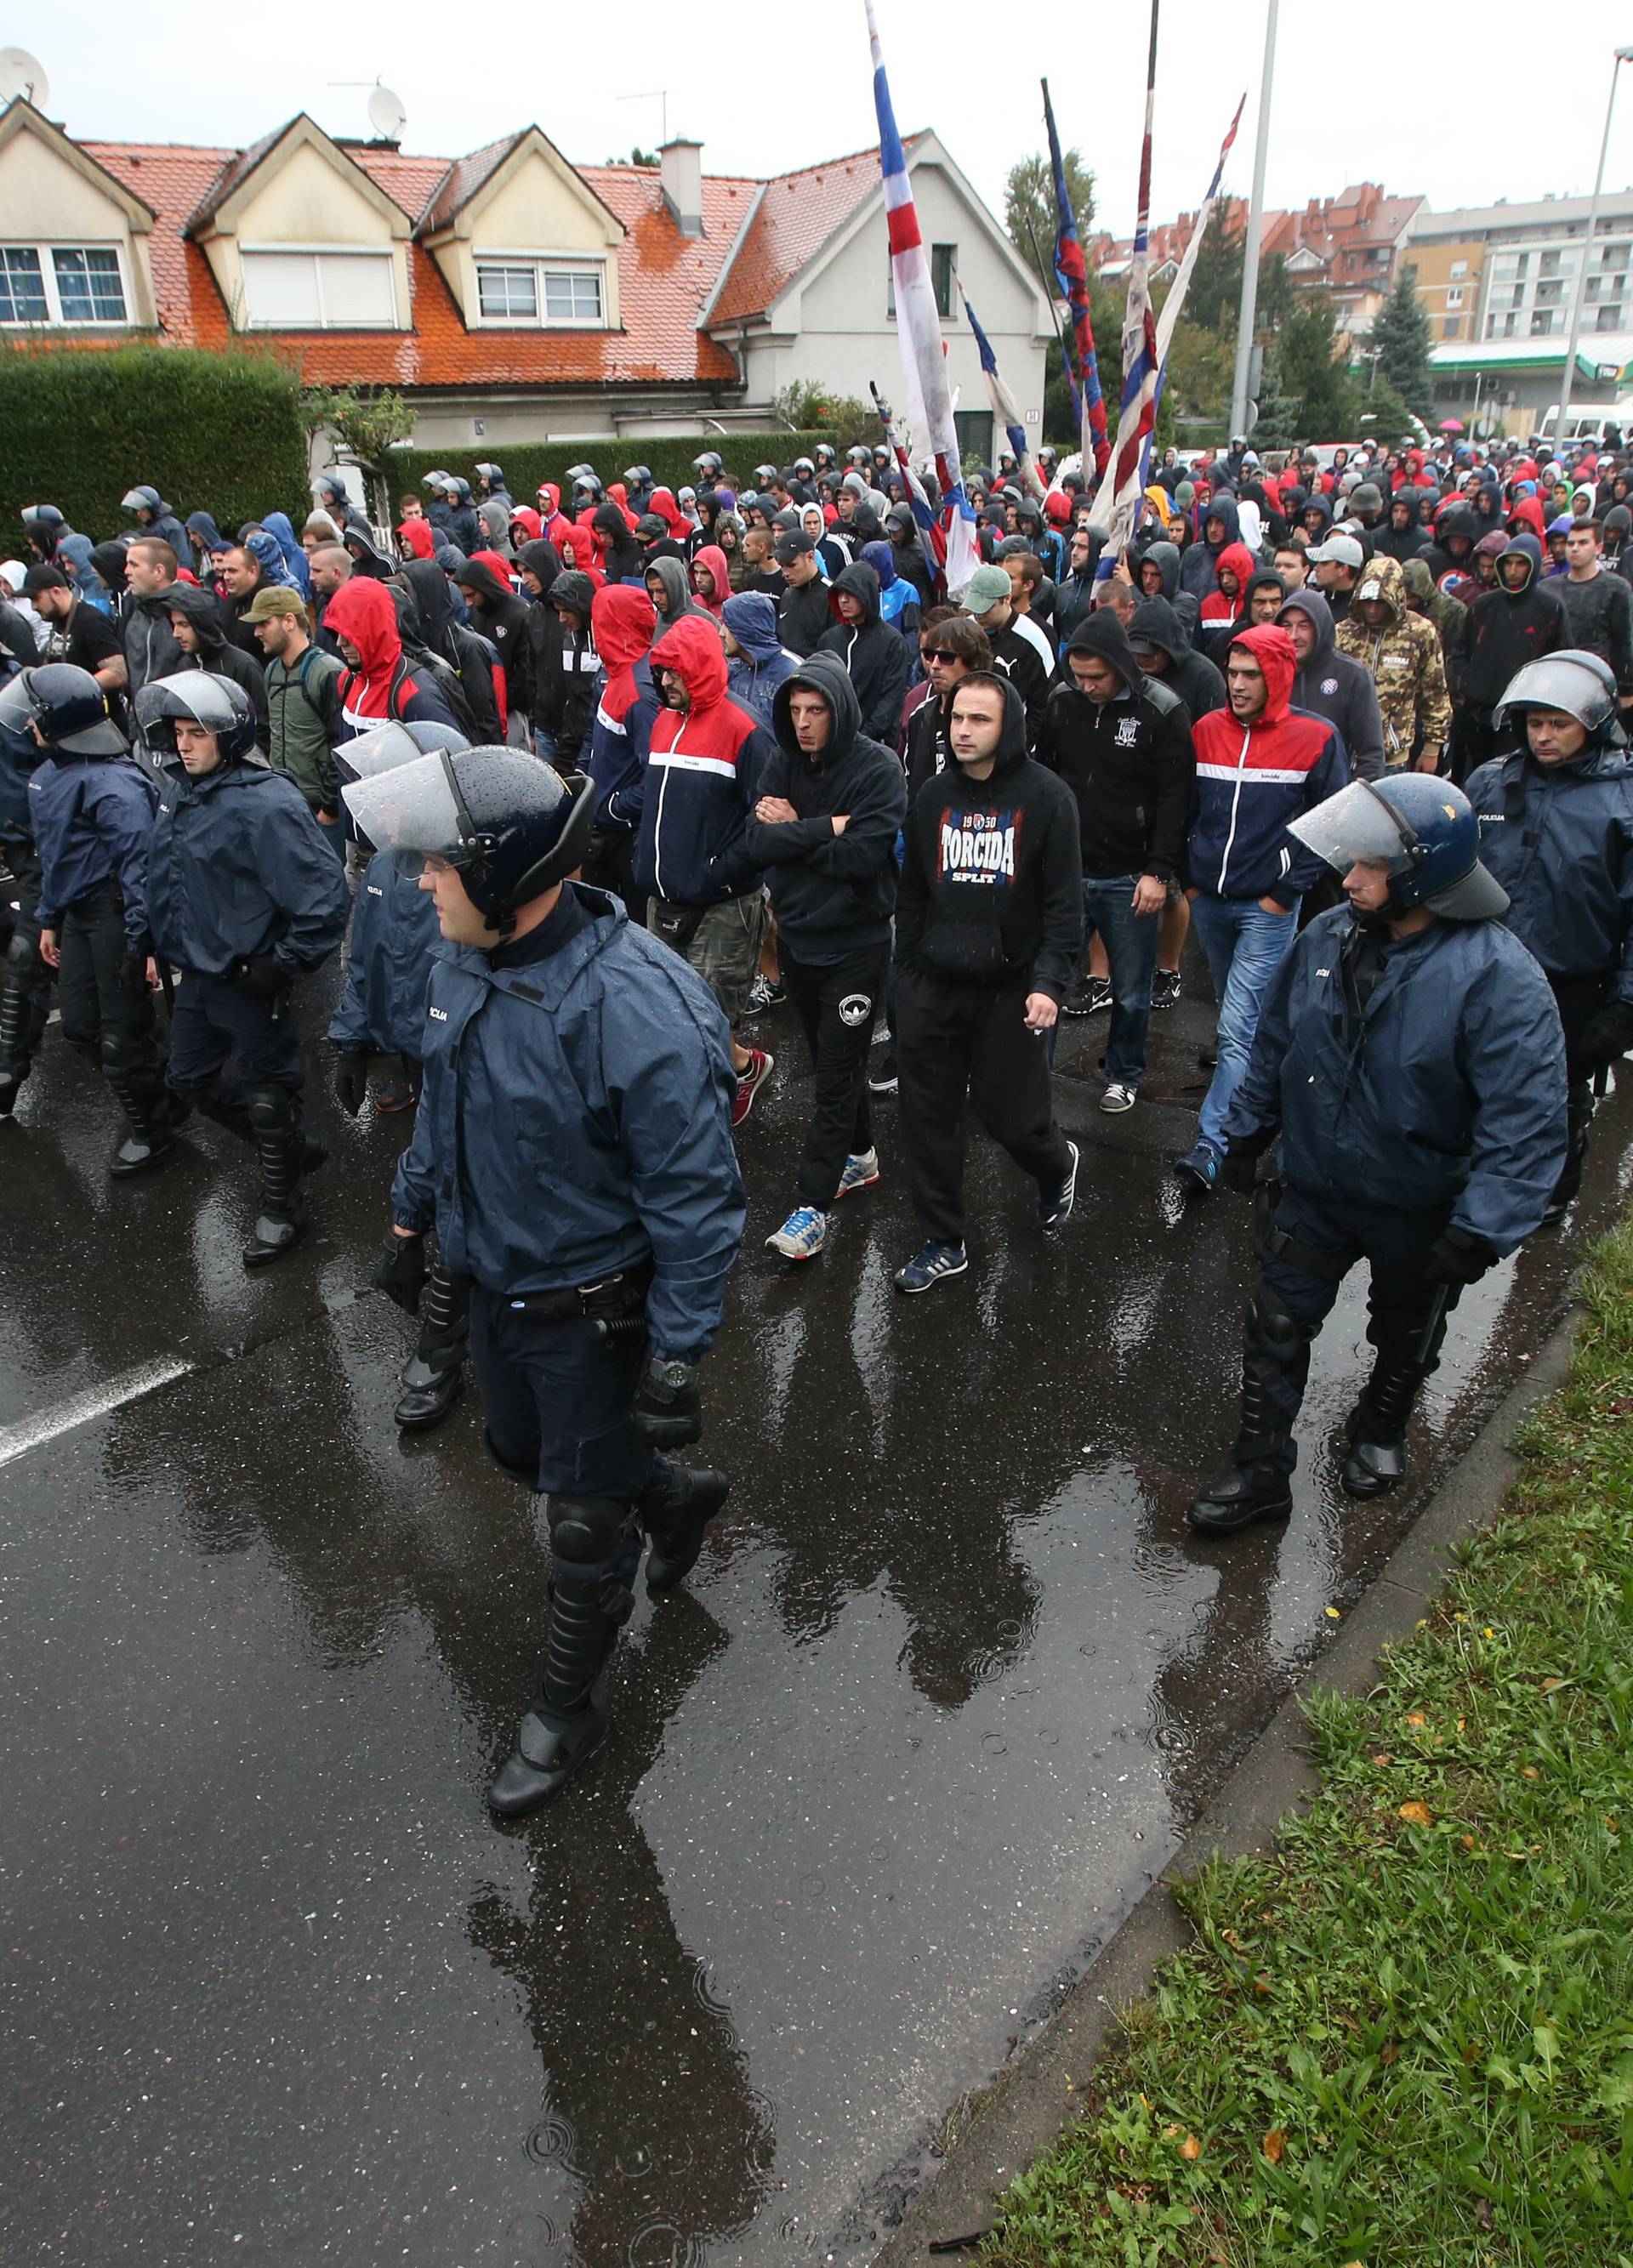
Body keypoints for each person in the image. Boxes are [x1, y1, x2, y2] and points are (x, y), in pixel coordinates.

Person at [346, 748, 743, 1816]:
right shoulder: (461, 959)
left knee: (580, 1526)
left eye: (436, 866)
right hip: (492, 1280)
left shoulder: (635, 1005)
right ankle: (676, 1498)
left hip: (591, 1311)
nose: (419, 884)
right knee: (518, 1450)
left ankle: (566, 1713)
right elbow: (443, 1105)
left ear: (509, 879)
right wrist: (410, 1214)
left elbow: (697, 1198)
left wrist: (675, 1352)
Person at [1189, 774, 1566, 1533]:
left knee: (1406, 1328)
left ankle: (1381, 1427)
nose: (1350, 879)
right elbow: (1275, 1041)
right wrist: (1244, 1133)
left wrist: (1482, 1225)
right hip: (1317, 1185)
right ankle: (1260, 1470)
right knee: (1275, 1323)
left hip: (1418, 1200)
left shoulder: (1499, 976)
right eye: (1350, 862)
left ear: (1424, 874)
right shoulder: (1327, 936)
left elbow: (1526, 1116)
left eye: (1371, 867)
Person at [135, 672, 349, 1265]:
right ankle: (289, 1145)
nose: (183, 745)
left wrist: (281, 964)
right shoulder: (179, 790)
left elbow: (324, 896)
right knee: (189, 1078)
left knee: (266, 1093)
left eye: (197, 733)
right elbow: (163, 872)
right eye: (177, 733)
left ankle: (284, 1206)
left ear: (227, 734)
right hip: (198, 975)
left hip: (250, 980)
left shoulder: (265, 800)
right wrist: (149, 939)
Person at [890, 671, 1082, 1292]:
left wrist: (1049, 984)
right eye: (956, 719)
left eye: (980, 720)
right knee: (929, 1119)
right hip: (934, 986)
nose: (964, 730)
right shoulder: (930, 797)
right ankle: (944, 1240)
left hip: (1010, 990)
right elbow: (913, 891)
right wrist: (907, 978)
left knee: (1012, 1121)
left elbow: (1063, 907)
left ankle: (1056, 1164)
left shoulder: (1049, 799)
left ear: (1010, 727)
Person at [1175, 623, 1348, 1191]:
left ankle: (1214, 1144)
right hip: (1210, 902)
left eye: (1251, 674)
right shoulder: (1205, 730)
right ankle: (1278, 1092)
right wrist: (1192, 880)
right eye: (1233, 673)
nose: (1239, 685)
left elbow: (1333, 824)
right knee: (1243, 1017)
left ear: (1277, 675)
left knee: (1238, 1027)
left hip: (1266, 908)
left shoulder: (1317, 737)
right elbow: (1184, 808)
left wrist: (1284, 891)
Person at [746, 653, 907, 1261]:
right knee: (830, 1066)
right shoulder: (783, 759)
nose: (805, 722)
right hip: (798, 943)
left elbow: (862, 858)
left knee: (835, 1078)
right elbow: (757, 841)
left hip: (856, 948)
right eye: (795, 710)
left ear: (839, 708)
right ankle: (860, 1157)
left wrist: (799, 830)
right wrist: (824, 827)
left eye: (816, 710)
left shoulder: (878, 768)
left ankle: (812, 1206)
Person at [1467, 650, 1633, 1223]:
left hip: (1571, 976)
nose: (1544, 735)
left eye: (1558, 723)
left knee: (1554, 1094)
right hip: (1484, 965)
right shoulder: (1491, 783)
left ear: (1592, 723)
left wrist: (1625, 1003)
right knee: (1468, 1076)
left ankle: (1551, 1193)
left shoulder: (1624, 799)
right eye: (1535, 722)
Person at [0, 664, 174, 1169]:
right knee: (79, 1027)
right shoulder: (48, 776)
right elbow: (53, 858)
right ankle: (163, 1085)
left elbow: (140, 869)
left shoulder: (113, 786)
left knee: (120, 1035)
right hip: (76, 917)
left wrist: (146, 944)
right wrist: (51, 917)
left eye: (38, 720)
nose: (31, 729)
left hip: (116, 916)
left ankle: (154, 1123)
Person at [1040, 616, 1193, 1112]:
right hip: (1066, 868)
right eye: (1079, 676)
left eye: (1096, 678)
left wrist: (1159, 870)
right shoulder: (1063, 700)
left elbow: (1176, 799)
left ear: (1121, 668)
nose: (1086, 687)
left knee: (1131, 988)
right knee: (1047, 980)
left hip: (1130, 873)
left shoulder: (1162, 710)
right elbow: (1045, 776)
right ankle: (1031, 1074)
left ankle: (1124, 1074)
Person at [638, 616, 777, 1125]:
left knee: (707, 1016)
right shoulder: (662, 722)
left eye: (677, 672)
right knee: (669, 1009)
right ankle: (742, 1068)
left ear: (700, 668)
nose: (667, 681)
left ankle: (705, 1119)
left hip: (725, 901)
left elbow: (764, 821)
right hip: (665, 893)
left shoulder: (745, 731)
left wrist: (718, 870)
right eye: (662, 672)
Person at [1453, 533, 1568, 778]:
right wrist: (1466, 683)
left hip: (1519, 717)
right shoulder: (1483, 605)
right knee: (1473, 782)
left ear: (1534, 565)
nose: (1513, 570)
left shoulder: (1550, 608)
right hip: (1476, 715)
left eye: (1521, 563)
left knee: (1513, 781)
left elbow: (1560, 660)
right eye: (1508, 563)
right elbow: (1459, 650)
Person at [245, 585, 346, 841]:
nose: (257, 632)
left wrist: (330, 807)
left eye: (264, 623)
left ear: (289, 621)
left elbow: (342, 743)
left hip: (320, 810)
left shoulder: (327, 671)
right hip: (285, 802)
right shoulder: (271, 672)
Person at [1334, 555, 1451, 773]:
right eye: (1367, 602)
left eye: (1380, 603)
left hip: (1391, 756)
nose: (1372, 610)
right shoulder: (1343, 633)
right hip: (1342, 752)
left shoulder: (1420, 633)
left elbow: (1435, 693)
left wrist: (1432, 747)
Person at [323, 577, 464, 738]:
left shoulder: (416, 693)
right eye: (337, 631)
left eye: (351, 633)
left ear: (375, 629)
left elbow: (448, 755)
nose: (340, 642)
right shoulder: (347, 680)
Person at [1277, 589, 1385, 782]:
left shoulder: (1352, 676)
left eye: (1304, 626)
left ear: (1320, 627)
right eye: (1287, 626)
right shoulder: (1270, 674)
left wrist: (1348, 804)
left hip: (1334, 799)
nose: (1294, 636)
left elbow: (1371, 756)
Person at [164, 583, 269, 747]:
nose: (176, 634)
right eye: (174, 625)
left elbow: (261, 726)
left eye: (184, 625)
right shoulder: (184, 665)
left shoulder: (243, 665)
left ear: (202, 624)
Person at [959, 563, 1051, 750]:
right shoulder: (964, 631)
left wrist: (1022, 747)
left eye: (986, 608)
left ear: (1007, 599)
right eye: (975, 608)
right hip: (966, 735)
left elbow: (1041, 703)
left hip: (1013, 741)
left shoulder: (1034, 638)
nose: (979, 615)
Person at [817, 560, 910, 743]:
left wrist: (863, 738)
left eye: (850, 593)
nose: (843, 599)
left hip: (874, 745)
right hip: (832, 742)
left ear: (866, 594)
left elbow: (891, 700)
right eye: (839, 594)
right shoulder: (829, 639)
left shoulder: (892, 642)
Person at [1553, 521, 1633, 705]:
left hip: (1598, 684)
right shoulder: (1549, 588)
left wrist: (1627, 689)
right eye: (1570, 543)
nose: (1574, 549)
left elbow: (1623, 643)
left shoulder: (1617, 589)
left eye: (1583, 543)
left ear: (1599, 547)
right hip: (1557, 680)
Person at [20, 564, 126, 696]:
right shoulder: (58, 618)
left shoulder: (91, 621)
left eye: (36, 599)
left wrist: (72, 690)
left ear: (56, 592)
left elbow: (118, 673)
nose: (33, 607)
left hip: (99, 713)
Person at [720, 592, 798, 729]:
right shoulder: (730, 671)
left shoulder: (793, 671)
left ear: (745, 627)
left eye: (727, 625)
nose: (721, 633)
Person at [122, 537, 185, 696]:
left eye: (134, 564)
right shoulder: (137, 610)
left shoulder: (190, 612)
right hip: (141, 713)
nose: (126, 571)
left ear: (159, 571)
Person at [774, 531, 833, 659]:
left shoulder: (833, 595)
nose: (785, 573)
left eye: (791, 565)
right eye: (782, 566)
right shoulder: (787, 595)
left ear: (810, 557)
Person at [121, 486, 193, 572]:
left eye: (143, 509)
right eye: (137, 510)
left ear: (152, 508)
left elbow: (183, 560)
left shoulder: (172, 527)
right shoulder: (148, 528)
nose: (139, 513)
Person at [1304, 532, 1364, 626]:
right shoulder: (1311, 603)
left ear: (1342, 569)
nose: (1316, 568)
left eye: (1324, 563)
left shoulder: (1362, 611)